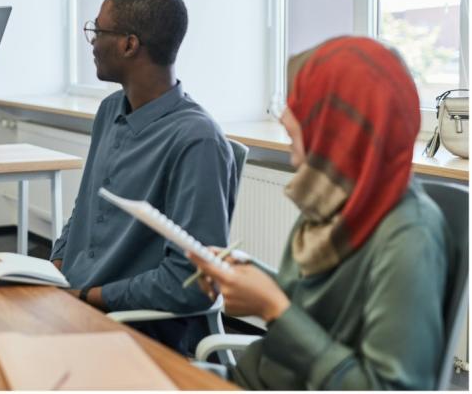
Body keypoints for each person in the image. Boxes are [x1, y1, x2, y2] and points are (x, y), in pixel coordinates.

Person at [189, 36, 449, 389]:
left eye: (300, 103)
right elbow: (318, 308)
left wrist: (274, 310)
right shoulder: (334, 196)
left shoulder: (410, 237)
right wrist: (251, 279)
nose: (283, 116)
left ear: (336, 122)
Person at [50, 0, 237, 354]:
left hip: (135, 331)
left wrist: (87, 294)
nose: (91, 42)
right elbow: (86, 209)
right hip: (75, 305)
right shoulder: (109, 111)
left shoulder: (197, 141)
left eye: (97, 31)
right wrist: (55, 264)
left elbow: (190, 283)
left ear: (129, 44)